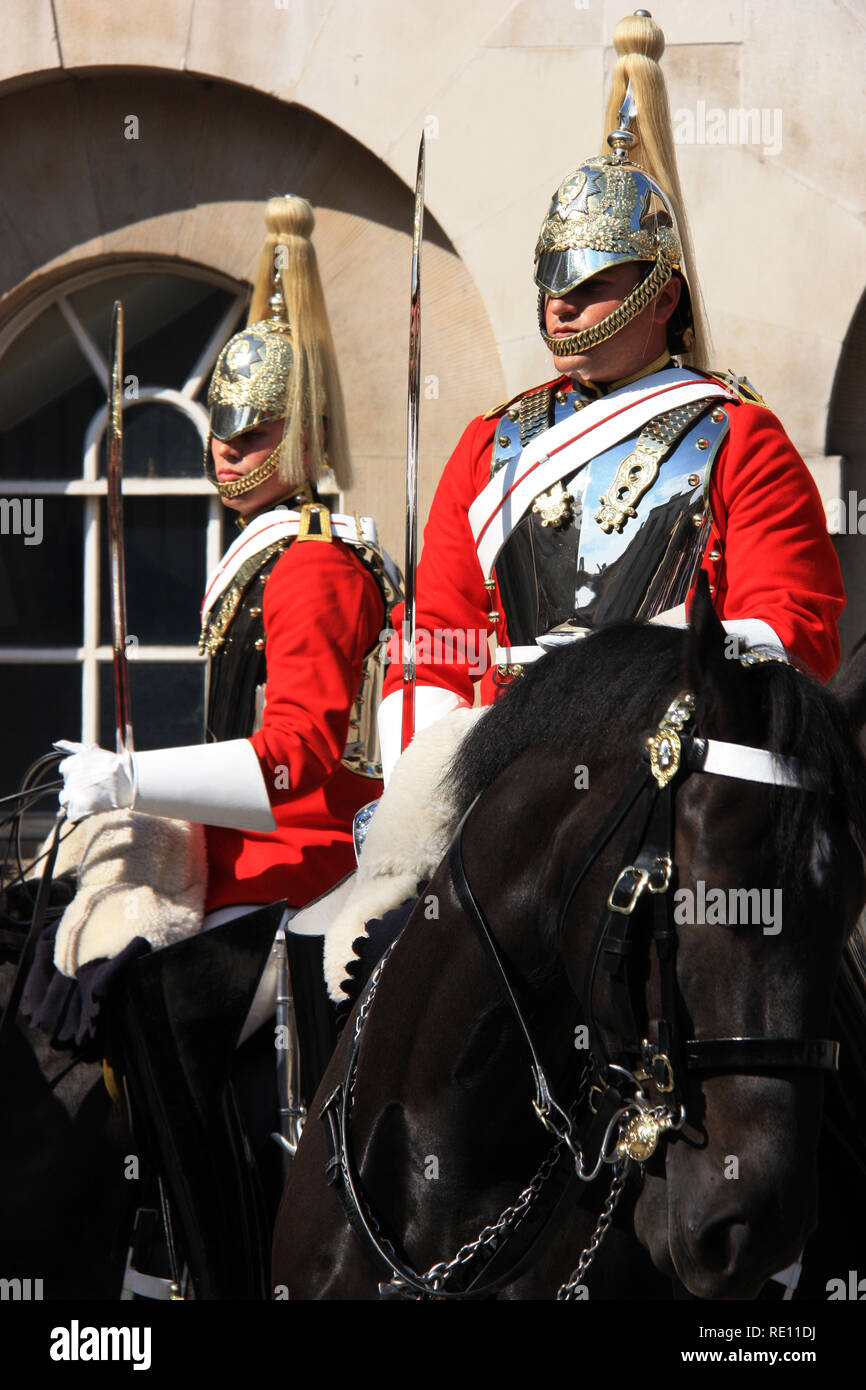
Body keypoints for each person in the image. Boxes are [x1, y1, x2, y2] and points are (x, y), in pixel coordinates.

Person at [36, 195, 398, 1298]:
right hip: (253, 860)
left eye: (255, 432)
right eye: (223, 431)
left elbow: (292, 759)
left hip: (315, 867)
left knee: (155, 994)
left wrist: (138, 777)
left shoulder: (316, 565)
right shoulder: (258, 560)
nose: (232, 452)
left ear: (302, 433)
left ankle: (207, 1258)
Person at [377, 12, 844, 781]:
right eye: (554, 281)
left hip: (668, 762)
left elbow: (796, 627)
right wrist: (421, 783)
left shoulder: (738, 434)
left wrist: (636, 669)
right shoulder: (489, 444)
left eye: (593, 284)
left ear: (662, 298)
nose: (563, 304)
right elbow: (437, 639)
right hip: (504, 771)